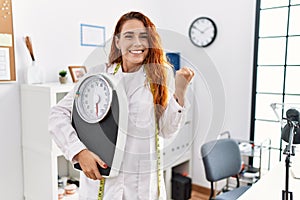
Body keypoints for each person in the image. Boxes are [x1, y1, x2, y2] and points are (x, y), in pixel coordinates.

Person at [49, 11, 194, 200]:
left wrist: (180, 93)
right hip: (103, 184)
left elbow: (167, 131)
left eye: (143, 36)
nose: (137, 43)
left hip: (141, 187)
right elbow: (57, 114)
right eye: (129, 36)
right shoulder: (97, 75)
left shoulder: (158, 77)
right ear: (117, 42)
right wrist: (79, 152)